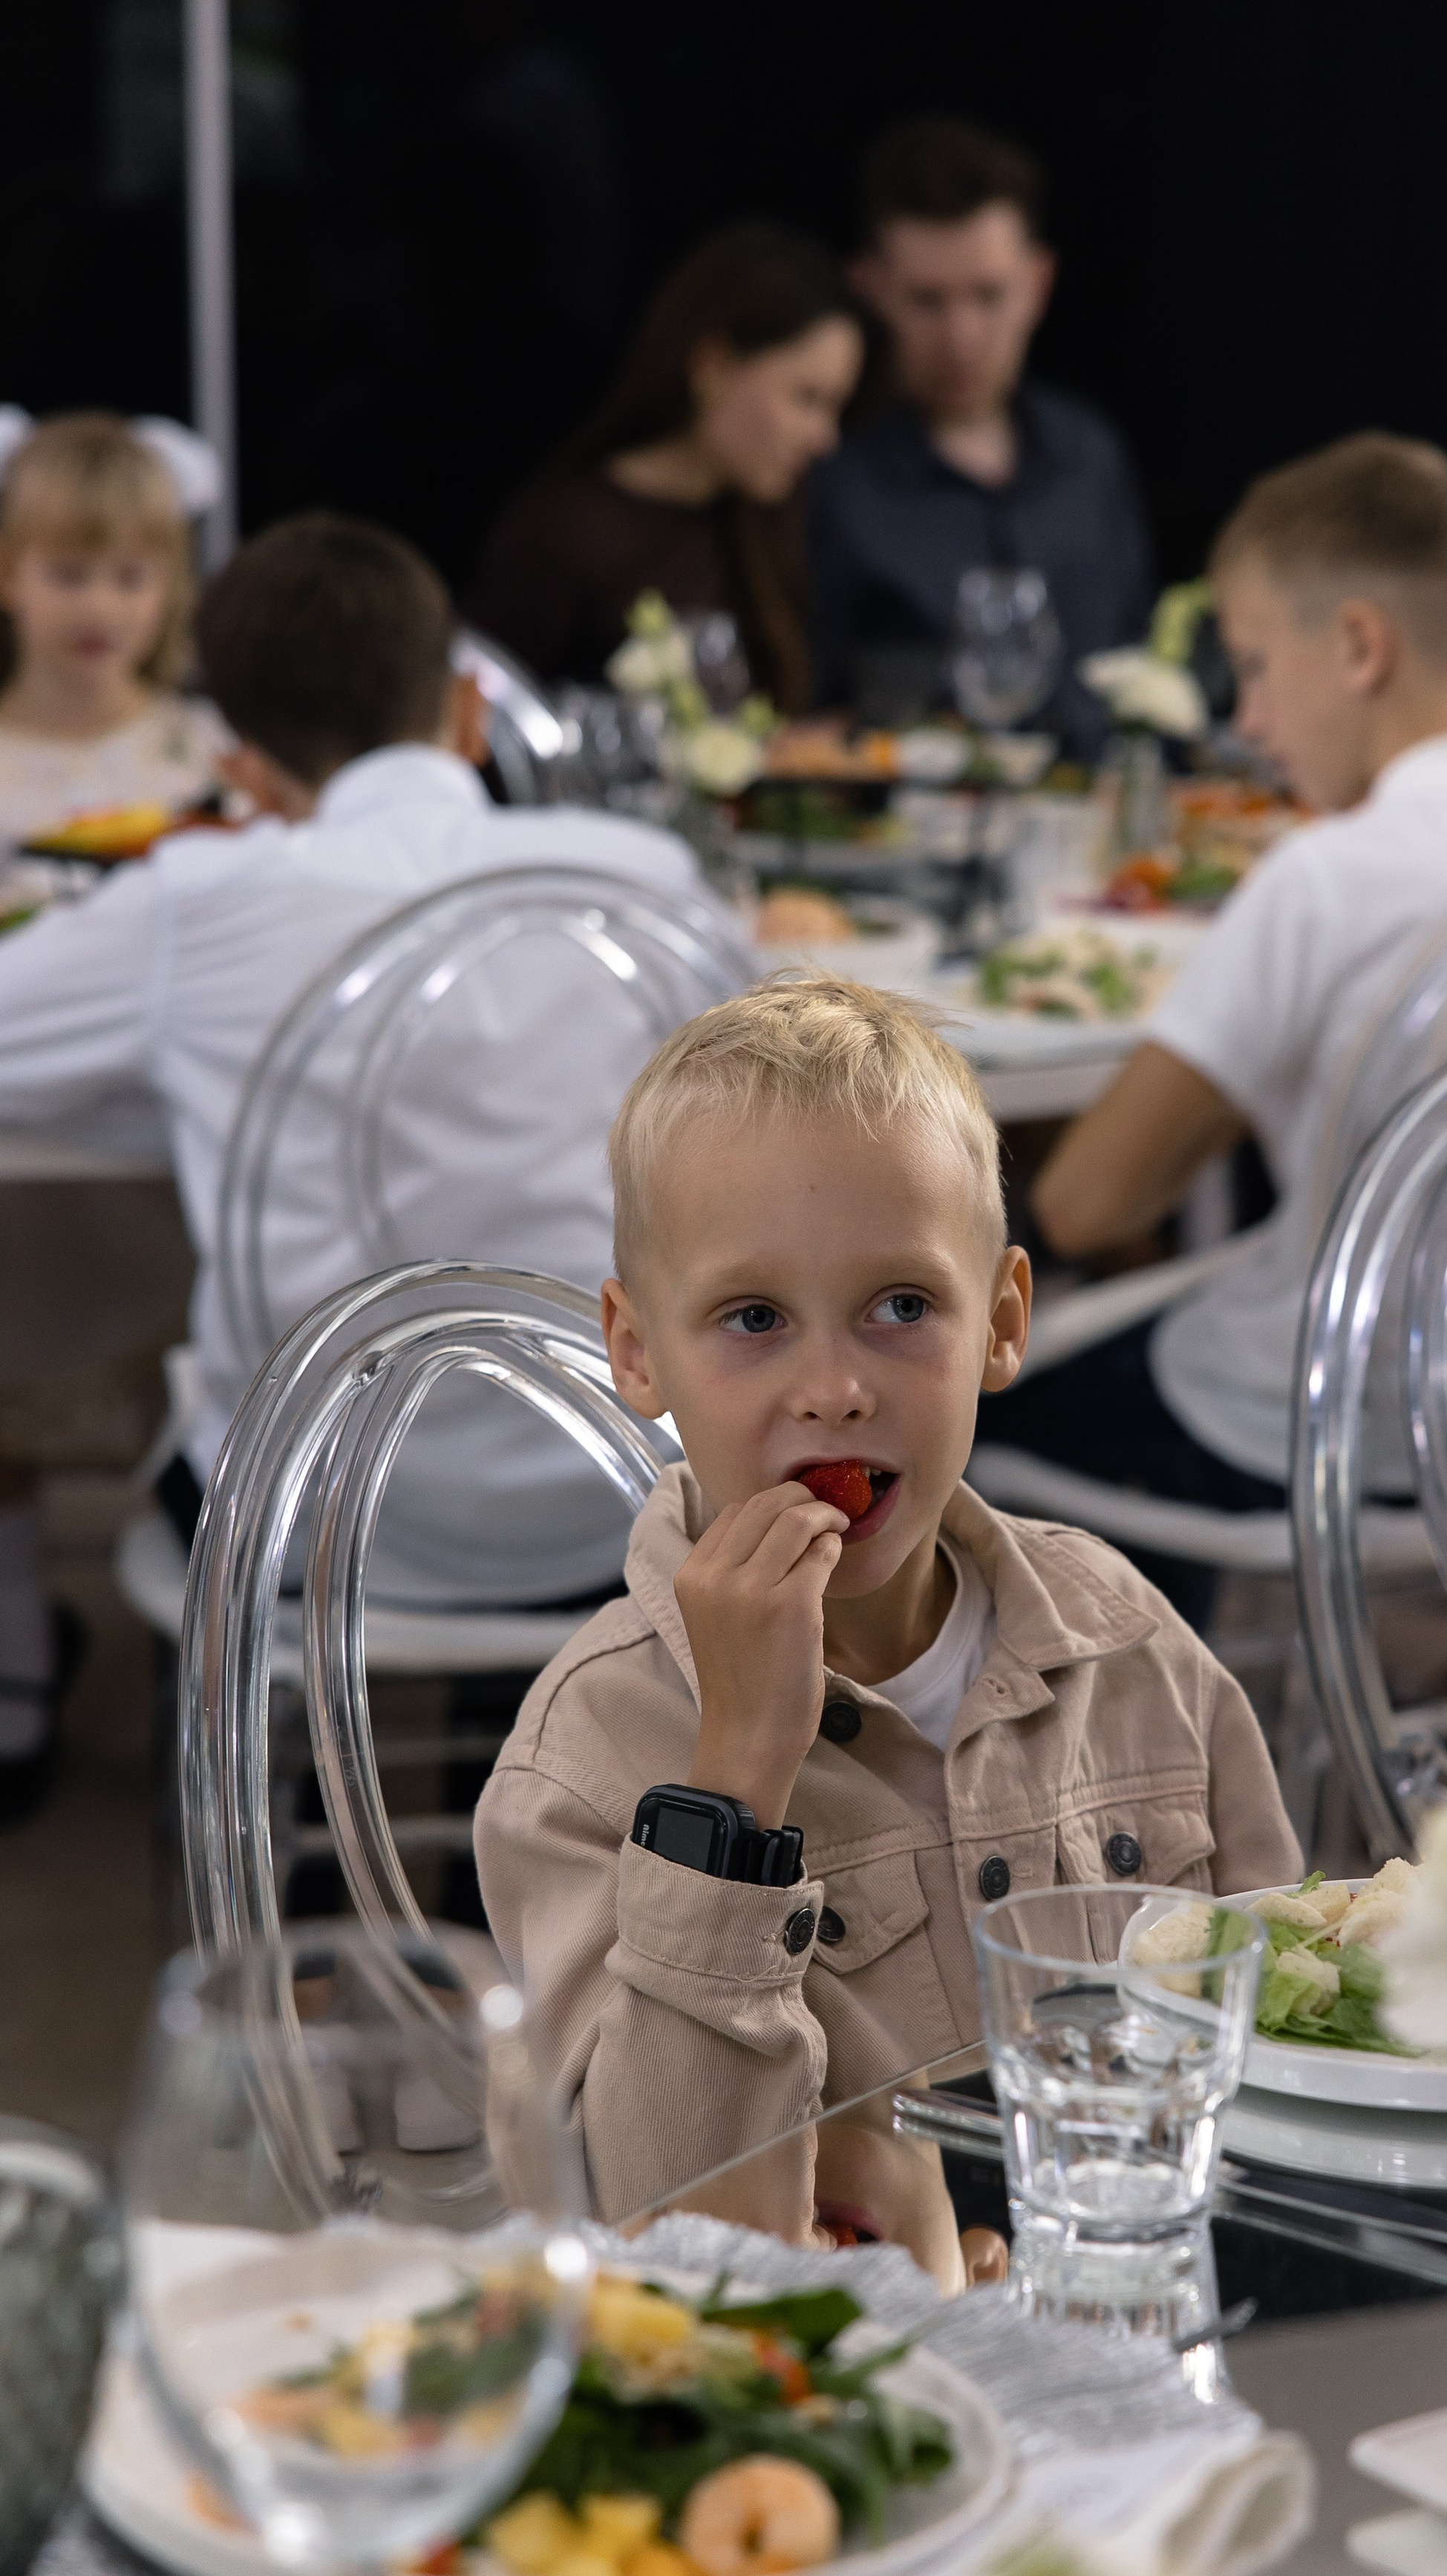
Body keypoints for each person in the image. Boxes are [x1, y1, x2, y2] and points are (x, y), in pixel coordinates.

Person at [474, 975, 1301, 2229]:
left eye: (902, 1308)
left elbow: (1286, 2032)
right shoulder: (590, 1758)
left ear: (1002, 1324)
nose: (836, 1388)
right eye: (753, 1318)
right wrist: (733, 1786)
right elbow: (656, 2233)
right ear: (637, 1353)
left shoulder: (1126, 1644)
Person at [0, 511, 724, 1808]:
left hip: (309, 1520)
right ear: (463, 710)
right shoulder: (643, 878)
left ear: (245, 763)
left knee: (234, 1401)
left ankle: (313, 1865)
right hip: (632, 1484)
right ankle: (548, 1822)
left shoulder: (196, 906)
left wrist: (172, 1080)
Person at [979, 435, 1447, 1630]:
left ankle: (1135, 1767)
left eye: (1257, 666)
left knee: (972, 1407)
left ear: (1361, 647)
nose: (1253, 719)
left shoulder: (1332, 875)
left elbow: (1088, 1208)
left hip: (1321, 1435)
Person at [807, 117, 1151, 752]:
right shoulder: (828, 474)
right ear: (870, 288)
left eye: (989, 296)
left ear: (1038, 285)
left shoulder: (1090, 455)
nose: (960, 338)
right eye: (927, 301)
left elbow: (1142, 677)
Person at [466, 225, 863, 710]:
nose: (825, 438)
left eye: (836, 407)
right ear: (712, 366)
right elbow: (481, 718)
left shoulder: (772, 520)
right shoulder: (566, 531)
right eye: (807, 399)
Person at [0, 411, 229, 846]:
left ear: (169, 584)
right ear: (8, 574)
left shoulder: (211, 754)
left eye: (129, 578)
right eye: (69, 575)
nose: (98, 608)